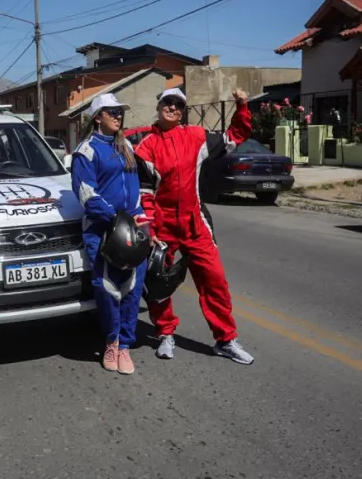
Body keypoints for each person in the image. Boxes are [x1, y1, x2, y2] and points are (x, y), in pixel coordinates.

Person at [135, 87, 255, 364]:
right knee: (159, 283)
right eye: (168, 102)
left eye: (178, 104)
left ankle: (225, 340)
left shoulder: (197, 136)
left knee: (215, 281)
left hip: (195, 223)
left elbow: (234, 136)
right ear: (159, 105)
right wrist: (150, 228)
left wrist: (243, 106)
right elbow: (145, 194)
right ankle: (165, 333)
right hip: (163, 227)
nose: (173, 108)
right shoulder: (146, 146)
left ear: (183, 110)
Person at [71, 93, 147, 375]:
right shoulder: (86, 151)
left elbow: (135, 188)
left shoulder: (125, 145)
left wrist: (137, 216)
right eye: (112, 112)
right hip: (103, 231)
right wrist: (116, 219)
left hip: (133, 229)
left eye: (120, 112)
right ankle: (111, 342)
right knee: (107, 288)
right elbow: (86, 194)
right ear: (97, 117)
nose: (118, 116)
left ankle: (125, 346)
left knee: (132, 288)